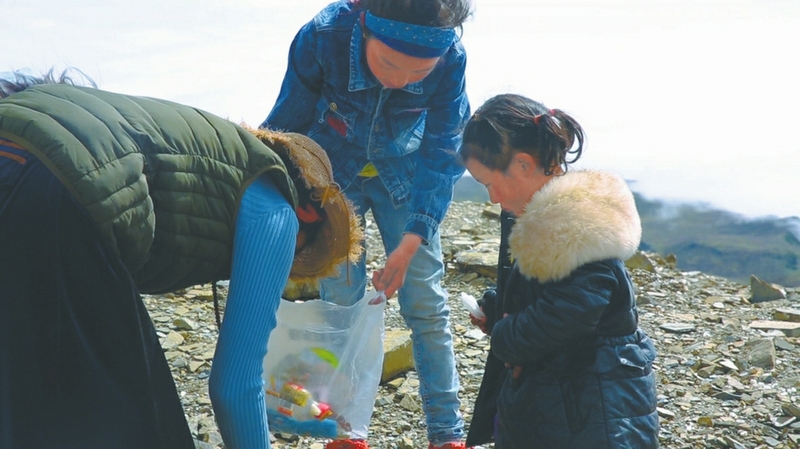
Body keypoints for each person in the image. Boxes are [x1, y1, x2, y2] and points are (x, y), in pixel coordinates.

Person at [0, 70, 362, 449]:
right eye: (298, 253)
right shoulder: (276, 206)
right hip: (64, 187)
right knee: (137, 417)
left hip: (20, 143)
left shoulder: (206, 149)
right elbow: (236, 385)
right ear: (309, 215)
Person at [261, 1, 472, 448]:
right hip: (333, 178)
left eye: (417, 75)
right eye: (388, 63)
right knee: (341, 303)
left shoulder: (451, 57)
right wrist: (295, 197)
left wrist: (414, 237)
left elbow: (444, 148)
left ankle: (447, 433)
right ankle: (343, 429)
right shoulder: (323, 36)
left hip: (407, 180)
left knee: (426, 304)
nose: (398, 80)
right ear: (365, 27)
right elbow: (287, 123)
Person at [460, 93, 659, 449]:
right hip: (564, 401)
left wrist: (507, 334)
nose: (491, 198)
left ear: (522, 164)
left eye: (490, 183)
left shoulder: (578, 224)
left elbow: (575, 309)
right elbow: (547, 295)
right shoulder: (540, 214)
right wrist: (498, 308)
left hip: (590, 408)